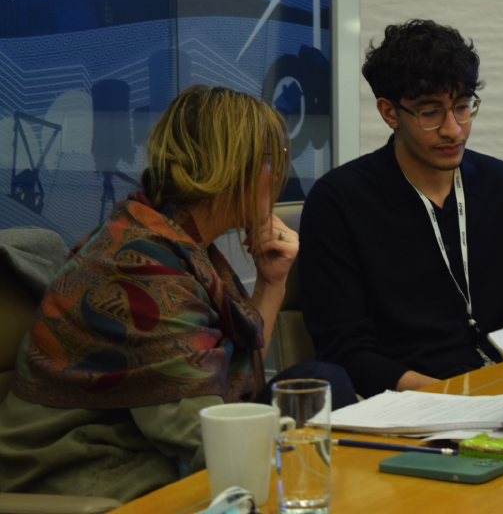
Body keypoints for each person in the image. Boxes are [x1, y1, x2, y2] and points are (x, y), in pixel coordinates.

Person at [0, 85, 354, 502]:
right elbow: (203, 435)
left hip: (142, 445)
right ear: (231, 168)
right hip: (86, 467)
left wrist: (272, 282)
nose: (277, 176)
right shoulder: (139, 269)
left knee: (323, 382)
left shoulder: (172, 239)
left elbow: (237, 374)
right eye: (269, 161)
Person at [297, 20, 503, 398]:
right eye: (431, 113)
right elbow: (346, 352)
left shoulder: (500, 184)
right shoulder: (340, 201)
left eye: (462, 107)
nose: (454, 130)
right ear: (389, 112)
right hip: (413, 401)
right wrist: (458, 398)